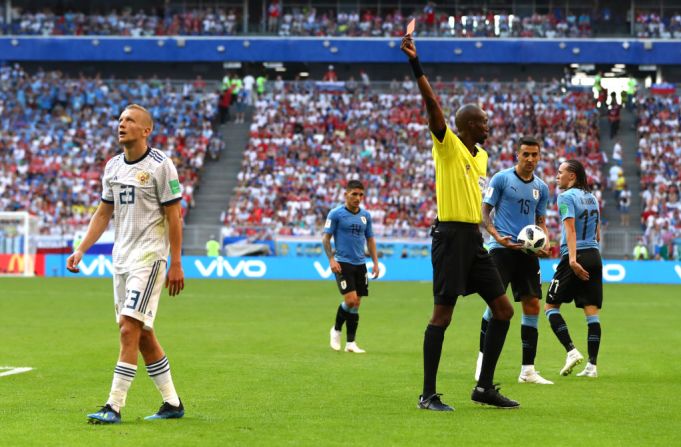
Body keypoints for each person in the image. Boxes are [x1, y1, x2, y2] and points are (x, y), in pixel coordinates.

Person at [401, 34, 519, 411]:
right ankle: (427, 395)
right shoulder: (448, 144)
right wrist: (416, 64)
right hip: (450, 236)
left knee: (504, 309)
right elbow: (432, 104)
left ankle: (483, 388)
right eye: (482, 121)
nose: (488, 125)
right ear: (466, 125)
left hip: (474, 239)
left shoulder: (482, 156)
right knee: (443, 314)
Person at [66, 104, 186, 424]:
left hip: (149, 258)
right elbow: (104, 213)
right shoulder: (113, 166)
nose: (122, 124)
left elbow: (174, 216)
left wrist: (176, 262)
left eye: (129, 120)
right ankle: (172, 403)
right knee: (143, 333)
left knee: (128, 327)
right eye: (120, 119)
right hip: (121, 260)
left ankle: (113, 405)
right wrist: (81, 249)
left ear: (146, 130)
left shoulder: (161, 166)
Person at [476, 136, 553, 385]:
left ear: (539, 157)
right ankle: (482, 359)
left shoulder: (541, 187)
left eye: (535, 155)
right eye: (526, 154)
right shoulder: (501, 179)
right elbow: (485, 210)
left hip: (527, 252)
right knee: (496, 305)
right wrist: (497, 236)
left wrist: (546, 241)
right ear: (516, 155)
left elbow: (540, 220)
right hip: (501, 249)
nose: (530, 159)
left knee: (532, 306)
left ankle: (527, 370)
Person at [545, 160, 603, 379]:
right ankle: (592, 366)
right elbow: (597, 233)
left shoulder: (565, 197)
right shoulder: (592, 198)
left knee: (550, 306)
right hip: (594, 255)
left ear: (573, 176)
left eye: (560, 173)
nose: (557, 176)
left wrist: (571, 259)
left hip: (575, 255)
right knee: (592, 312)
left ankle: (571, 351)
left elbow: (570, 230)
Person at [323, 180, 379, 354]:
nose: (358, 198)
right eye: (354, 194)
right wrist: (331, 259)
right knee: (350, 300)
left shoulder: (366, 216)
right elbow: (326, 238)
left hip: (360, 264)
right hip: (342, 263)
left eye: (361, 194)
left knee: (357, 304)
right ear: (346, 194)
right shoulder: (336, 214)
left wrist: (376, 262)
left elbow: (370, 239)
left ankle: (350, 343)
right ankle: (336, 330)